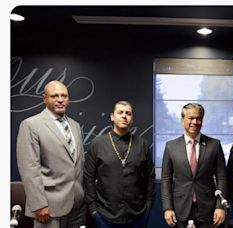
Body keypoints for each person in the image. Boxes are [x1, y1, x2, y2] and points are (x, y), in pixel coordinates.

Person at [16, 80, 86, 227]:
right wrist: (38, 205)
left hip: (77, 205)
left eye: (64, 96)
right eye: (54, 96)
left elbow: (78, 164)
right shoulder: (31, 125)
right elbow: (29, 169)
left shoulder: (75, 125)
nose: (60, 100)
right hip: (49, 207)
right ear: (44, 98)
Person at [84, 100, 155, 227]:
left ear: (132, 118)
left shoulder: (142, 144)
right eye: (120, 112)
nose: (124, 116)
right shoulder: (98, 143)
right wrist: (93, 210)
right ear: (112, 116)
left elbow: (150, 176)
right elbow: (88, 177)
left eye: (128, 113)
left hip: (137, 216)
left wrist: (149, 205)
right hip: (105, 216)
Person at [161, 103, 227, 228]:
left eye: (198, 118)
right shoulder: (171, 146)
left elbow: (222, 177)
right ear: (182, 120)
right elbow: (166, 180)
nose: (195, 122)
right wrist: (167, 208)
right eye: (191, 118)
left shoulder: (214, 145)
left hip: (209, 208)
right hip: (180, 209)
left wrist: (220, 207)